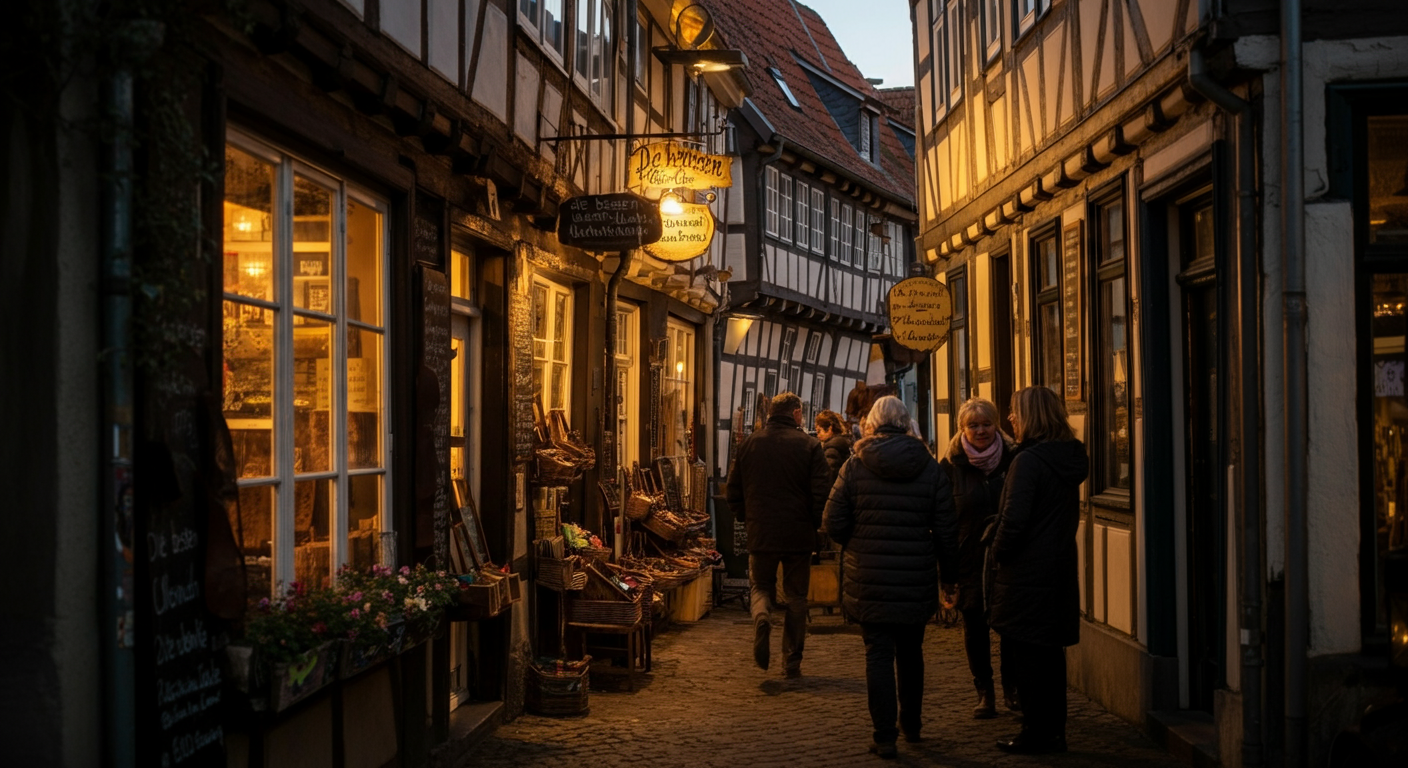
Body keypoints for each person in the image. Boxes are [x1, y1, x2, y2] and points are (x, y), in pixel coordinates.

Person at [823, 396, 959, 759]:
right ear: (906, 424)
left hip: (868, 577)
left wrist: (858, 541)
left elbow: (832, 523)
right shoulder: (930, 469)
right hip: (915, 576)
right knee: (911, 652)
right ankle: (911, 726)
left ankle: (884, 736)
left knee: (878, 654)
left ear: (870, 424)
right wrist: (950, 578)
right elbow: (947, 531)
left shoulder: (855, 467)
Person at [987, 386, 1089, 755]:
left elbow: (1015, 520)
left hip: (1027, 572)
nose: (1010, 418)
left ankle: (1035, 732)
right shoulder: (1067, 457)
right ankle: (1053, 731)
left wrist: (998, 553)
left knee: (1029, 657)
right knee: (1049, 657)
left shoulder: (1028, 461)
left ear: (1031, 416)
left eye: (1014, 412)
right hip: (1057, 567)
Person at [726, 391, 832, 678]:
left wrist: (747, 517)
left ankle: (762, 616)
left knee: (761, 586)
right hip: (798, 533)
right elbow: (821, 493)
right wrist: (815, 526)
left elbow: (732, 491)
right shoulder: (810, 446)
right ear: (796, 414)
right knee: (797, 596)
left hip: (761, 531)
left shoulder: (749, 444)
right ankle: (792, 659)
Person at [937, 398, 1017, 719]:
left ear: (996, 425)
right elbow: (943, 521)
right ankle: (985, 692)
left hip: (1006, 556)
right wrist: (946, 573)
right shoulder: (950, 466)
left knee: (1011, 626)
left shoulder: (1013, 459)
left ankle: (1013, 688)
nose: (981, 430)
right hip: (967, 557)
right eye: (974, 425)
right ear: (962, 429)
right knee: (975, 627)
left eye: (986, 424)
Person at [814, 409, 852, 482]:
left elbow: (830, 476)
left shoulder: (832, 448)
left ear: (830, 428)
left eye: (819, 431)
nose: (818, 435)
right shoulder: (841, 443)